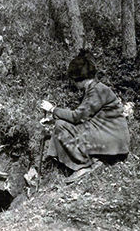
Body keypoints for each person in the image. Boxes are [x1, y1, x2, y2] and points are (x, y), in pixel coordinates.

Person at [40, 51, 130, 183]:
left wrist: (53, 109)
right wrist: (53, 118)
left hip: (114, 141)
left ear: (78, 79)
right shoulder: (96, 89)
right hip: (112, 137)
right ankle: (94, 159)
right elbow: (83, 116)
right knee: (61, 124)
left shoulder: (97, 91)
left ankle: (83, 165)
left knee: (60, 126)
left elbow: (77, 117)